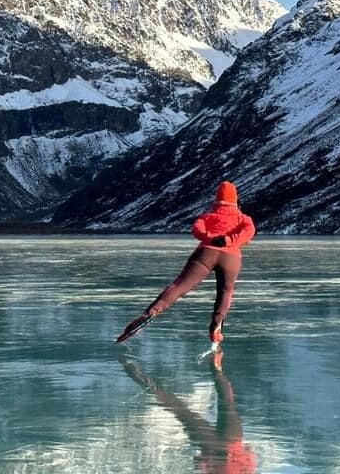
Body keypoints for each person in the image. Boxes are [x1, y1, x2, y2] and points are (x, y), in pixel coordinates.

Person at [117, 181, 256, 343]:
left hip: (206, 254)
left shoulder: (207, 216)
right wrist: (228, 240)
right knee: (225, 291)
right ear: (235, 199)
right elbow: (249, 231)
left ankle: (151, 313)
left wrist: (211, 238)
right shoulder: (244, 219)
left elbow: (197, 229)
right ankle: (217, 325)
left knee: (179, 286)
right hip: (231, 258)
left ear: (216, 199)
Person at [120, 353, 257, 473]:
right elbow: (200, 464)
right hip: (212, 447)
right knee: (179, 409)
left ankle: (217, 369)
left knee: (227, 403)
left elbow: (249, 459)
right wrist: (201, 460)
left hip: (234, 442)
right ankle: (132, 370)